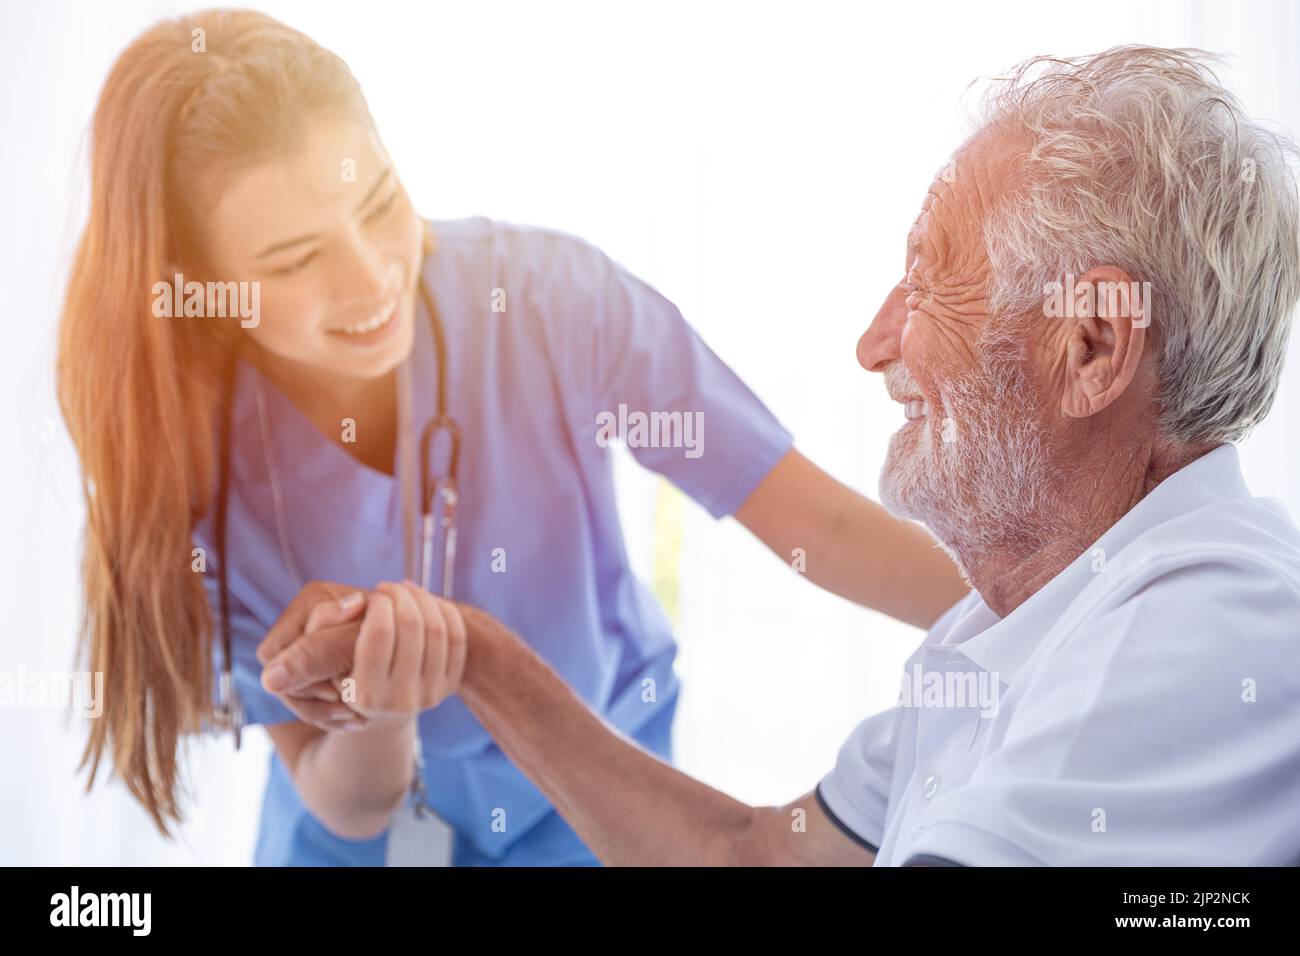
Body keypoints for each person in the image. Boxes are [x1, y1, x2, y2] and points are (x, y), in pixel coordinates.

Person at [265, 46, 1300, 866]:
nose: (874, 342)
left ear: (1091, 347)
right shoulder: (1021, 620)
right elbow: (745, 856)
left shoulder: (1207, 621)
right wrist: (474, 654)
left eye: (931, 280)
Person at [56, 9, 966, 865]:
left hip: (586, 796)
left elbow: (825, 533)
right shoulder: (184, 458)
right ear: (201, 285)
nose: (371, 277)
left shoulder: (547, 301)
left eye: (378, 203)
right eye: (295, 260)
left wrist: (1064, 603)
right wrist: (378, 706)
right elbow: (351, 804)